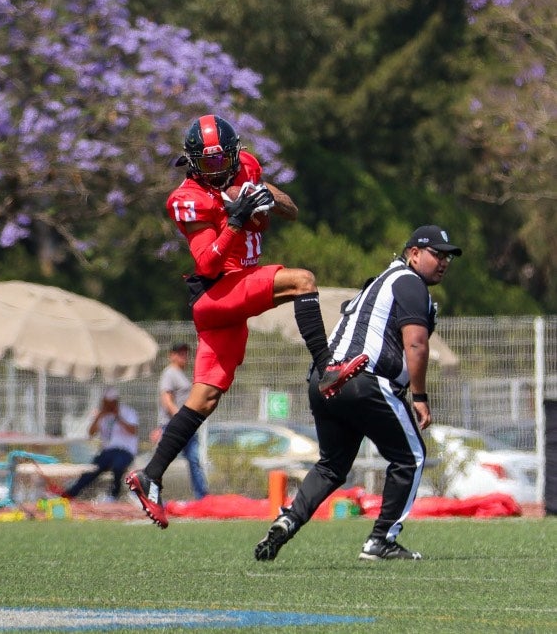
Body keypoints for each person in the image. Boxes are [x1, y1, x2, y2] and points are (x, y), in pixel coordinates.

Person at [126, 114, 368, 527]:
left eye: (223, 163)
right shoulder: (188, 197)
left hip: (231, 300)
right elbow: (207, 261)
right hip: (218, 290)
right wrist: (235, 219)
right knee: (302, 280)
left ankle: (150, 476)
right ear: (192, 162)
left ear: (235, 155)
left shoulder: (248, 167)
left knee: (204, 398)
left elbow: (288, 210)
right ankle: (327, 368)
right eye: (208, 164)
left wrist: (267, 197)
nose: (217, 172)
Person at [254, 224, 462, 561]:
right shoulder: (409, 282)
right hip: (364, 379)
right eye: (436, 254)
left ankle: (288, 520)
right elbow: (416, 344)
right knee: (411, 457)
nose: (444, 262)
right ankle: (381, 540)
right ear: (413, 253)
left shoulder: (381, 282)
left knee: (331, 466)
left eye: (448, 256)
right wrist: (420, 397)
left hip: (324, 381)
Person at [63, 387, 139, 502]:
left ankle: (114, 495)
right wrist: (99, 416)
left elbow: (133, 431)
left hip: (125, 451)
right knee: (92, 470)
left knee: (118, 466)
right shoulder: (103, 416)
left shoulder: (128, 412)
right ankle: (70, 495)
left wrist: (118, 417)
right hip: (108, 452)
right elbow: (91, 433)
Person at [157, 343, 209, 500]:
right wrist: (180, 418)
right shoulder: (170, 373)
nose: (184, 356)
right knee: (161, 461)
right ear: (171, 355)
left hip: (185, 426)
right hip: (174, 425)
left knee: (194, 460)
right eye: (180, 353)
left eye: (185, 353)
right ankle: (143, 490)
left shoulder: (181, 374)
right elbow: (167, 399)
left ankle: (202, 497)